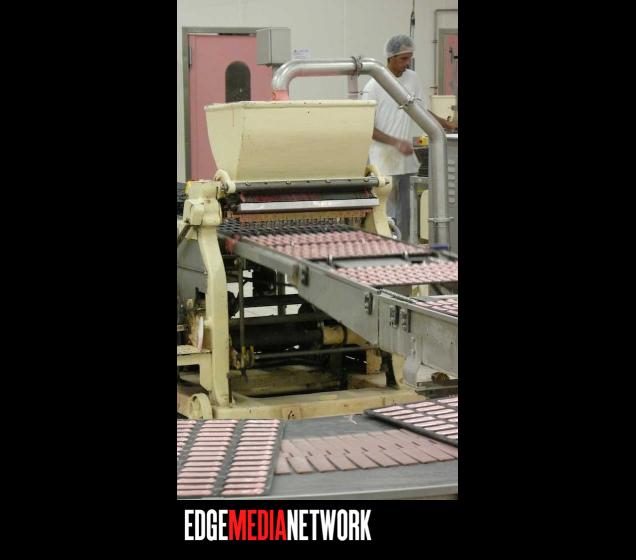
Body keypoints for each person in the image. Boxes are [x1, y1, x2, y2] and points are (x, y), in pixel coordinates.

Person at [361, 34, 456, 242]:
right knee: (384, 213)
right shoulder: (373, 86)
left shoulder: (412, 78)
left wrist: (446, 124)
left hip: (406, 159)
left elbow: (421, 111)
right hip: (382, 161)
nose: (407, 63)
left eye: (409, 58)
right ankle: (383, 248)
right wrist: (395, 142)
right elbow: (368, 128)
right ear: (390, 57)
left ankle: (405, 247)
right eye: (403, 59)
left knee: (408, 211)